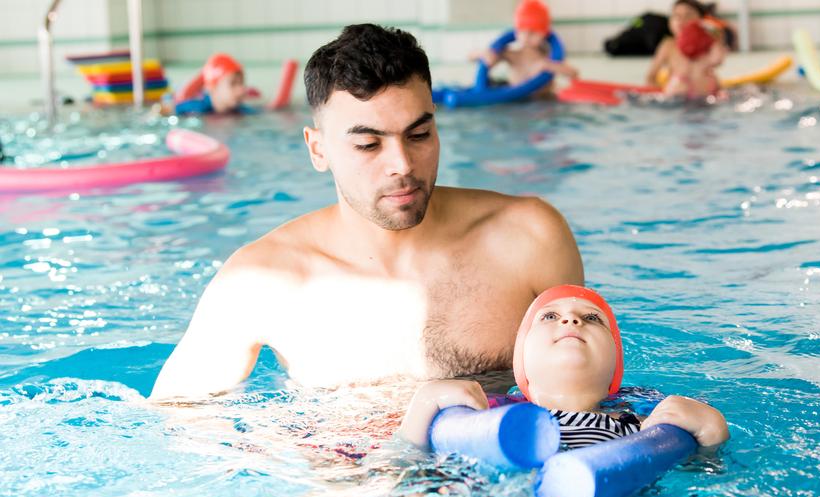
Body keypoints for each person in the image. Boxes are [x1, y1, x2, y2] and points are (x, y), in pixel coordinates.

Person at [149, 24, 583, 401]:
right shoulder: (261, 280)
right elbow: (177, 423)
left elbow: (592, 393)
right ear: (318, 149)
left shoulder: (528, 238)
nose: (402, 164)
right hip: (347, 490)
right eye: (368, 144)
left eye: (419, 134)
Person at [399, 285, 729, 449]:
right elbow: (408, 461)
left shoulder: (646, 410)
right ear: (521, 359)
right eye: (549, 317)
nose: (571, 320)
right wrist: (424, 405)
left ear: (616, 362)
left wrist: (711, 433)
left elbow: (694, 471)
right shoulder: (486, 408)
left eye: (592, 319)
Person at [471, 0, 579, 97]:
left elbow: (574, 73)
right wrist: (483, 53)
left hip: (544, 102)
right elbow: (470, 57)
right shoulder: (512, 55)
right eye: (522, 31)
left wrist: (548, 65)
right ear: (516, 32)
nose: (527, 36)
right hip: (516, 101)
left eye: (533, 32)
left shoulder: (549, 57)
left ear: (545, 33)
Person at [645, 0, 727, 99]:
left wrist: (714, 35)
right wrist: (660, 94)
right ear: (670, 22)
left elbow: (718, 60)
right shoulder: (668, 45)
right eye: (677, 16)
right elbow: (650, 77)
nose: (682, 20)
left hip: (708, 94)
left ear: (701, 20)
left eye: (688, 15)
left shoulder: (709, 43)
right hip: (677, 93)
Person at [173, 53, 254, 115]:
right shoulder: (194, 109)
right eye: (233, 84)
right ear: (212, 87)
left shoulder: (243, 111)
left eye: (242, 83)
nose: (241, 90)